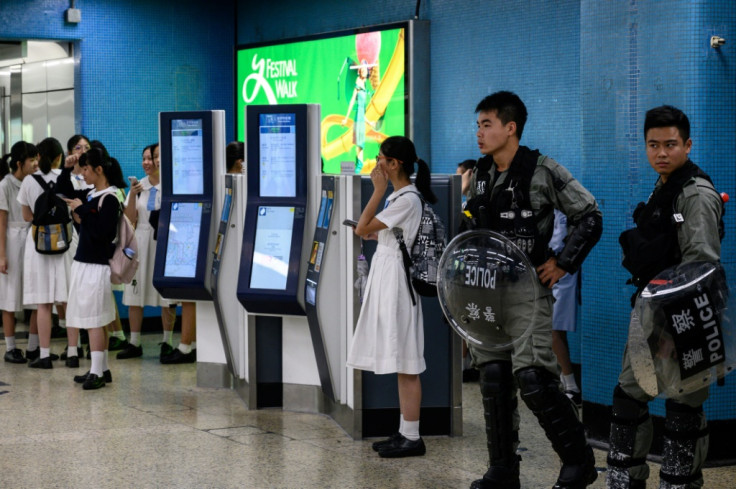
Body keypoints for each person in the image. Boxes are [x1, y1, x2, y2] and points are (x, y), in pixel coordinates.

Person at [464, 91, 602, 489]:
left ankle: (579, 464)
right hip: (488, 293)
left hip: (528, 293)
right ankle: (503, 470)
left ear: (511, 128)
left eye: (486, 124)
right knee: (492, 376)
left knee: (535, 380)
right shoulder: (482, 173)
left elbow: (590, 215)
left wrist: (562, 263)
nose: (479, 132)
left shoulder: (543, 171)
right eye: (478, 125)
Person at [607, 106, 722, 489]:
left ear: (687, 145)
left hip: (685, 321)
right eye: (653, 145)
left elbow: (701, 268)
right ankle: (626, 478)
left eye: (670, 144)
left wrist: (677, 334)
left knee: (683, 409)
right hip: (650, 315)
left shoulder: (696, 194)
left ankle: (679, 482)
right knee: (628, 396)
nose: (661, 152)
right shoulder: (665, 185)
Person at [346, 135, 435, 458]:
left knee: (406, 359)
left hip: (397, 282)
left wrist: (378, 190)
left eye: (381, 158)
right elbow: (374, 230)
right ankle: (405, 431)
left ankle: (412, 436)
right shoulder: (401, 197)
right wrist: (374, 230)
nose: (377, 163)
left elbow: (361, 228)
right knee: (400, 359)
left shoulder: (405, 198)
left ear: (394, 164)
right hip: (388, 275)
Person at [56, 145, 127, 389]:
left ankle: (97, 372)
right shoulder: (92, 194)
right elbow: (61, 191)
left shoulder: (111, 197)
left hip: (96, 265)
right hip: (84, 262)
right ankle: (101, 368)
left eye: (85, 169)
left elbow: (102, 233)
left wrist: (82, 210)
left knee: (95, 319)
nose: (82, 173)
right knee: (92, 317)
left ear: (98, 169)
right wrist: (66, 170)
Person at [118, 144, 173, 360]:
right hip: (140, 241)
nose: (147, 162)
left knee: (167, 296)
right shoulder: (138, 185)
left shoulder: (170, 185)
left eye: (151, 158)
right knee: (134, 293)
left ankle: (167, 341)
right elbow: (130, 218)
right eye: (144, 158)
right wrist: (132, 194)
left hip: (162, 243)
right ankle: (134, 342)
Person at [17, 141, 66, 368]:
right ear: (59, 157)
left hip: (38, 244)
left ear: (38, 156)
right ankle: (73, 351)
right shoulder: (67, 177)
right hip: (64, 243)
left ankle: (44, 355)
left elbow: (27, 216)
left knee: (43, 304)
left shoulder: (28, 180)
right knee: (68, 298)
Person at [0, 142, 38, 363]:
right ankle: (11, 347)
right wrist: (2, 255)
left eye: (36, 159)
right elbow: (2, 223)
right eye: (31, 160)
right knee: (10, 297)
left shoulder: (33, 182)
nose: (35, 164)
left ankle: (33, 346)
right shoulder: (5, 185)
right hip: (12, 243)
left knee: (35, 294)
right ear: (18, 163)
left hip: (32, 240)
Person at [549, 209, 582, 407]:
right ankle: (564, 382)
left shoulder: (560, 203)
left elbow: (558, 239)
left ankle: (571, 386)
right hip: (550, 268)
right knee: (550, 328)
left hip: (558, 268)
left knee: (554, 328)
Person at [342, 61, 375, 174]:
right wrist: (346, 118)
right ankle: (358, 168)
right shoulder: (359, 82)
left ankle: (359, 169)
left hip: (362, 117)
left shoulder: (366, 85)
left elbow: (363, 111)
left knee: (361, 144)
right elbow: (352, 101)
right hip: (358, 118)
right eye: (362, 69)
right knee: (359, 143)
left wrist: (369, 122)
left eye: (365, 69)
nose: (363, 71)